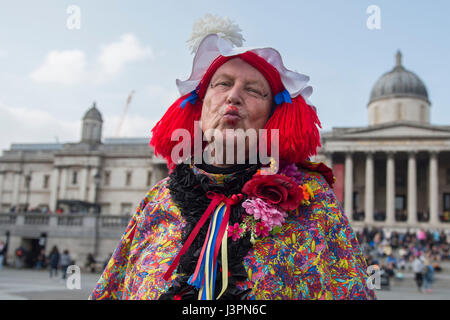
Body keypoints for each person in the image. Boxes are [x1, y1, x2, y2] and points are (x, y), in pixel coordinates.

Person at [90, 18, 375, 300]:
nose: (234, 96)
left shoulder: (312, 199)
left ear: (273, 115)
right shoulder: (158, 199)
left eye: (253, 90)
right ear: (199, 107)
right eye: (222, 84)